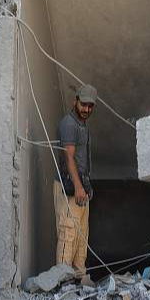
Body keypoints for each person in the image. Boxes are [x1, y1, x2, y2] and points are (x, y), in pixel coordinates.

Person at [54, 84, 97, 277]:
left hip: (80, 188)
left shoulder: (82, 125)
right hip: (69, 188)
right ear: (75, 101)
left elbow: (81, 160)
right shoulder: (68, 124)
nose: (86, 109)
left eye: (90, 106)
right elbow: (69, 157)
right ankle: (63, 282)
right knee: (68, 235)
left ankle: (79, 280)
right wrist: (79, 187)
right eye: (84, 104)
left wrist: (86, 187)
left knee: (81, 238)